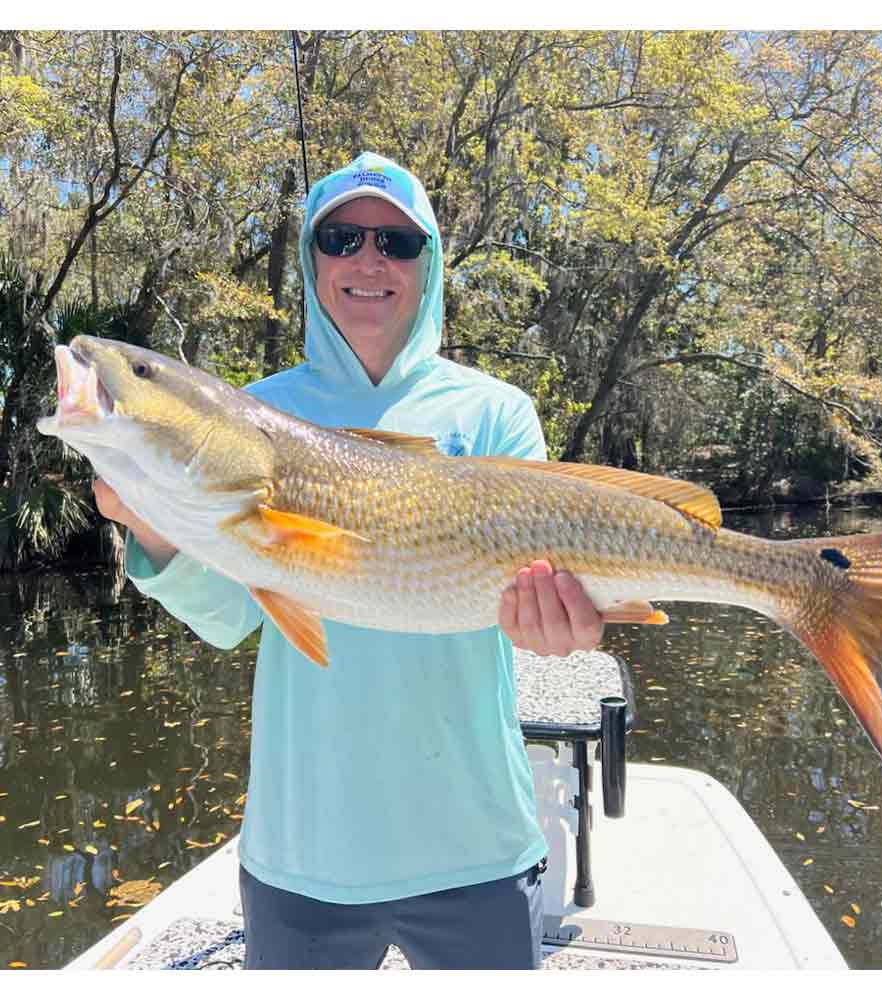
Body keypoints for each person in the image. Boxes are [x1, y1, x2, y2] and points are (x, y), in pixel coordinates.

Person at [94, 151, 605, 970]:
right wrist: (151, 523)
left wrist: (559, 627)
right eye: (340, 237)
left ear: (429, 264)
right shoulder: (254, 411)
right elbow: (229, 620)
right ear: (311, 259)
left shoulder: (497, 413)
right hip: (302, 854)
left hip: (476, 842)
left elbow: (532, 617)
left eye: (397, 243)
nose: (368, 260)